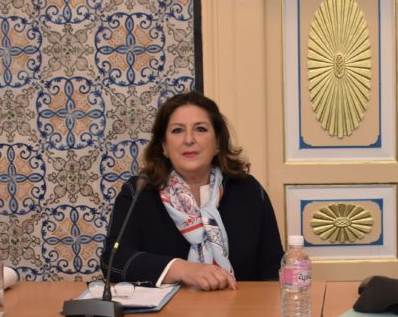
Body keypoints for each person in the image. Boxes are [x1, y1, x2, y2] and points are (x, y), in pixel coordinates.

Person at [101, 91, 284, 290]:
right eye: (177, 130)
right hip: (166, 310)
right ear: (164, 146)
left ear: (218, 143)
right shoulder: (139, 192)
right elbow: (113, 261)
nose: (189, 139)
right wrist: (181, 269)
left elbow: (272, 270)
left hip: (239, 306)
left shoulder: (247, 190)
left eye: (201, 129)